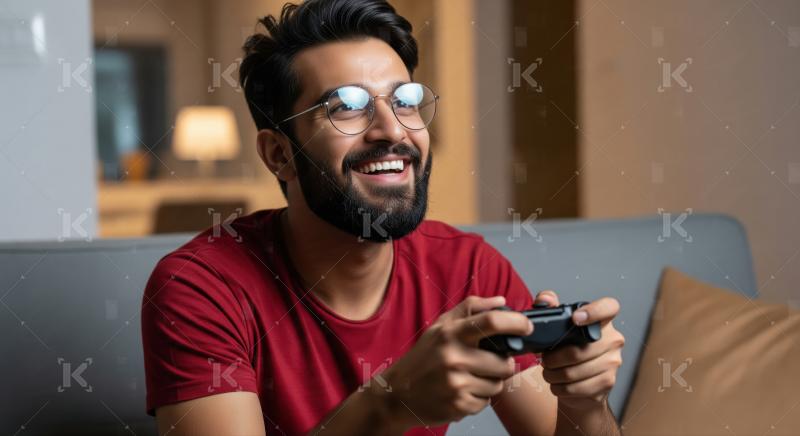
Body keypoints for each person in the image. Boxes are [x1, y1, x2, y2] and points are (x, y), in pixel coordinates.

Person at [141, 0, 625, 434]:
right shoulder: (200, 289)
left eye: (405, 100)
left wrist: (585, 405)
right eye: (346, 107)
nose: (392, 129)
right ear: (279, 154)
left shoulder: (468, 271)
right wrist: (391, 403)